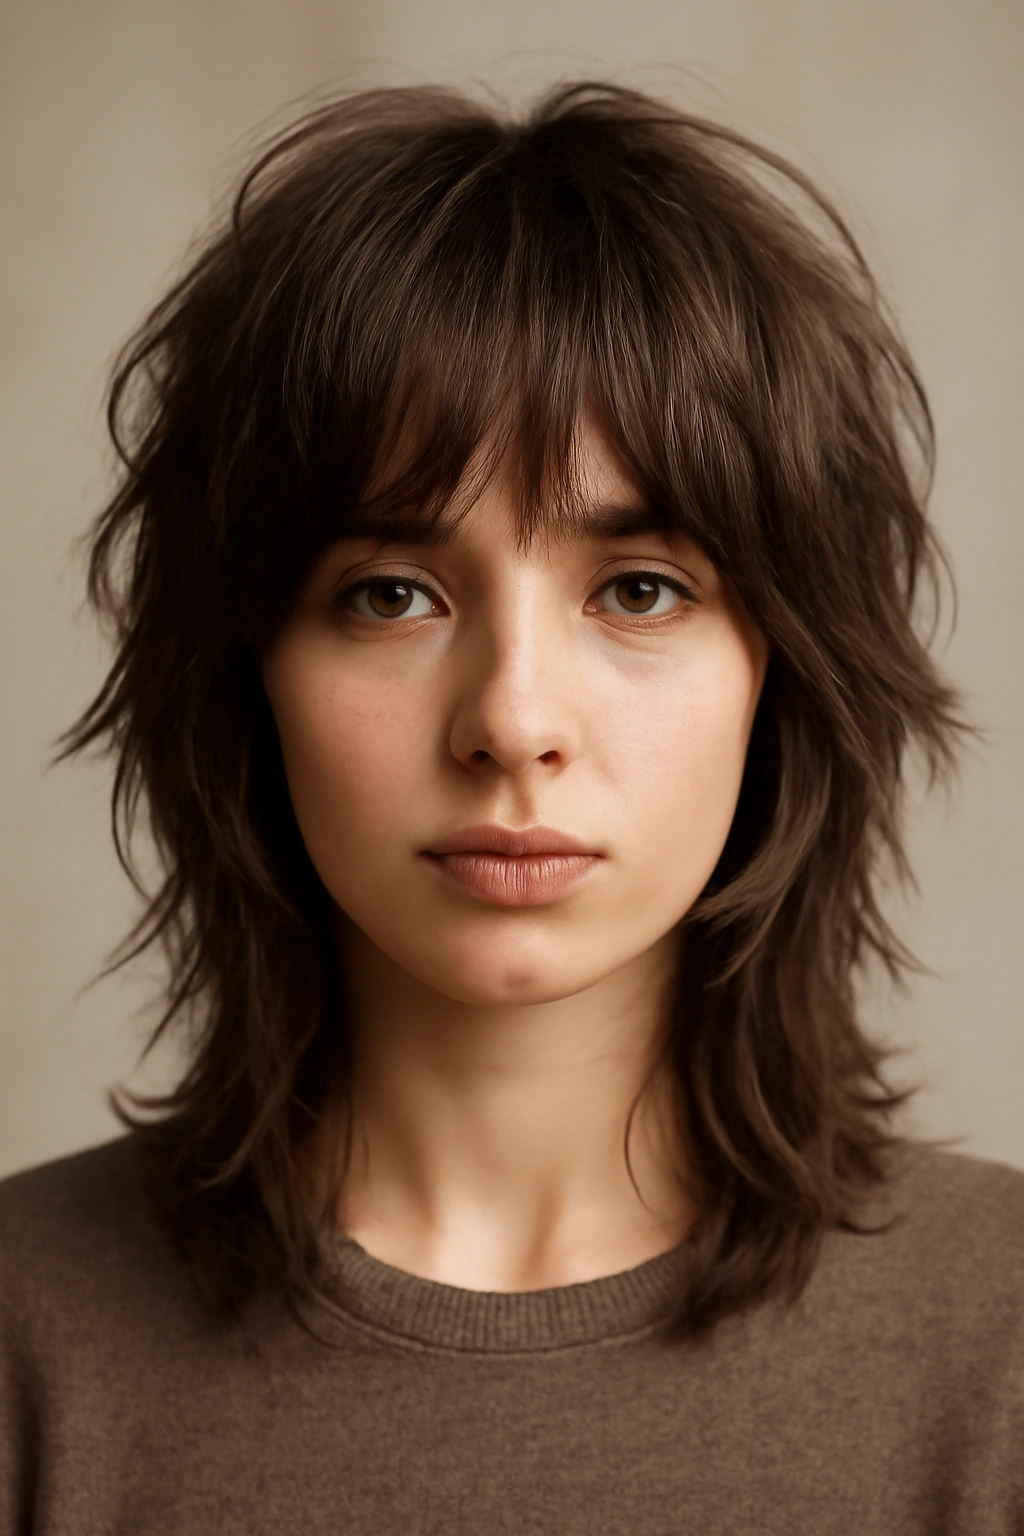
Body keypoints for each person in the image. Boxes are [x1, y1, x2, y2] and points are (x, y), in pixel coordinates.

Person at [0, 79, 1020, 1534]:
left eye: (640, 589)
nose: (515, 721)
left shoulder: (1000, 1350)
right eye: (390, 594)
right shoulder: (26, 1346)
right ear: (245, 667)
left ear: (781, 671)